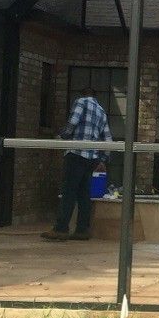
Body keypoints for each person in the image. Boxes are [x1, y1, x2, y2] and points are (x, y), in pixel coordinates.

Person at [42, 85, 111, 241]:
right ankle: (82, 230)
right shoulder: (101, 111)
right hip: (91, 158)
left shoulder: (81, 102)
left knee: (68, 192)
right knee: (84, 195)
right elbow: (108, 138)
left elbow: (72, 123)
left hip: (76, 154)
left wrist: (61, 137)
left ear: (83, 94)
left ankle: (61, 229)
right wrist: (103, 159)